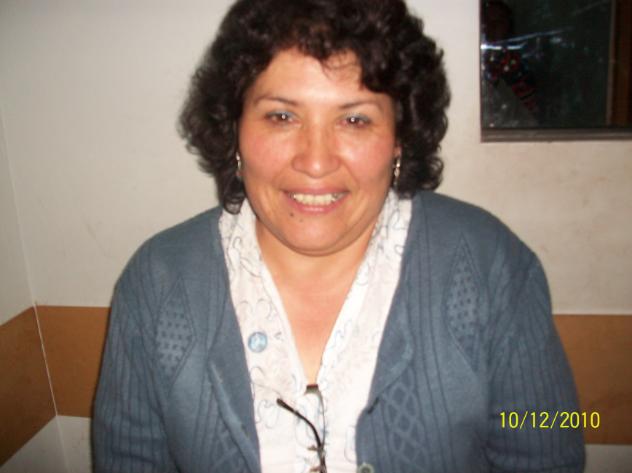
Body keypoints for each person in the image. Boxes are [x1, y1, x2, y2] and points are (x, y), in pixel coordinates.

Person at [92, 0, 585, 472]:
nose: (315, 161)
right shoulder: (156, 283)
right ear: (234, 129)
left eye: (354, 119)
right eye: (282, 116)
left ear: (399, 138)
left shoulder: (491, 265)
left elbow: (548, 435)